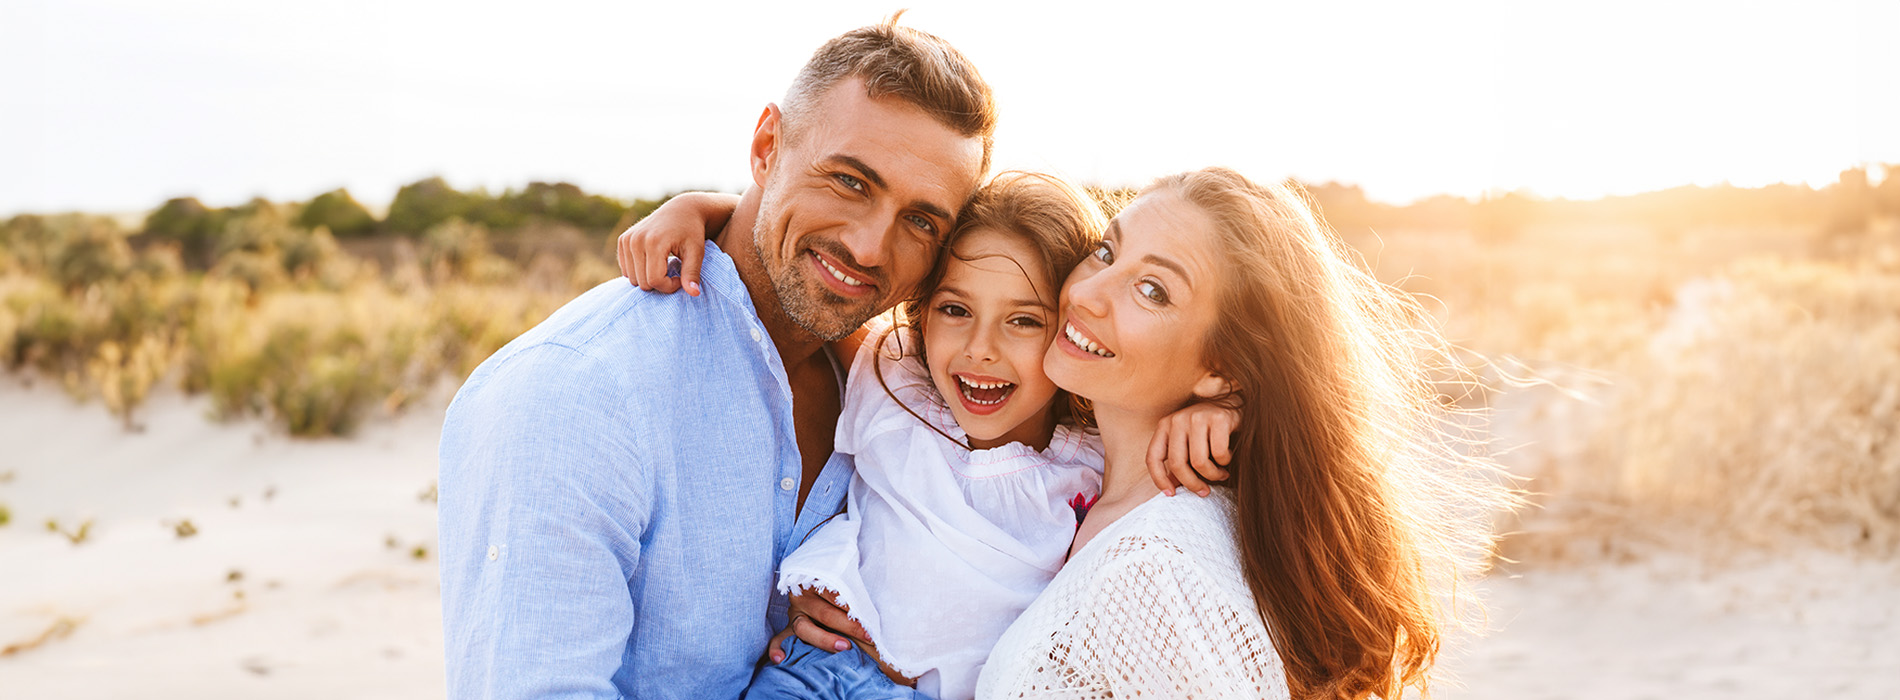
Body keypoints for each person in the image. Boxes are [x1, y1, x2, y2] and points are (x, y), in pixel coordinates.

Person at [436, 17, 995, 699]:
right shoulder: (576, 393)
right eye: (849, 181)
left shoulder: (902, 391)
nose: (872, 247)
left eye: (921, 220)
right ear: (766, 147)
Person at [619, 172, 1238, 700]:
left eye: (1024, 320)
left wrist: (1224, 411)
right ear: (921, 312)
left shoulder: (1093, 459)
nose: (980, 350)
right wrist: (703, 209)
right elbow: (812, 283)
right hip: (813, 673)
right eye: (954, 309)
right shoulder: (896, 380)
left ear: (1066, 330)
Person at [977, 168, 1516, 699]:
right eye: (1106, 251)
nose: (1087, 292)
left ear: (1222, 369)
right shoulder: (1092, 483)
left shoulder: (1153, 571)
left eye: (1152, 290)